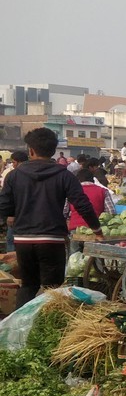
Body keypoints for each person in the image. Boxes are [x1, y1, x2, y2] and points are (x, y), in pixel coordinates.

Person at [0, 128, 103, 308]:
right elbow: (82, 204)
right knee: (53, 290)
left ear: (30, 150)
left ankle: (21, 329)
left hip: (23, 239)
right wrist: (97, 230)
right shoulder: (65, 175)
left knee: (28, 286)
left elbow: (3, 206)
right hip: (52, 239)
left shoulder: (15, 175)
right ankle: (49, 328)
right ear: (54, 150)